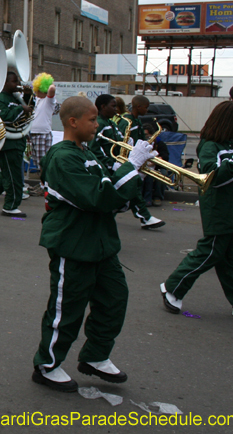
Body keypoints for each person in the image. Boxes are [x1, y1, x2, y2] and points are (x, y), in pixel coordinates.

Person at [32, 96, 153, 392]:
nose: (97, 125)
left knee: (114, 299)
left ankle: (96, 356)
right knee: (67, 309)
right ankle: (47, 365)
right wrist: (131, 166)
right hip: (73, 242)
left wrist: (130, 175)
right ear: (73, 122)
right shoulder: (62, 157)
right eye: (92, 119)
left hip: (101, 242)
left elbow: (110, 189)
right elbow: (97, 196)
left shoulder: (85, 152)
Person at [161, 101, 233, 320]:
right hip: (220, 210)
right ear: (228, 123)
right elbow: (214, 177)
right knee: (209, 253)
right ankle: (173, 287)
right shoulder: (210, 145)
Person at [116, 95, 164, 229]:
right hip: (128, 160)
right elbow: (123, 143)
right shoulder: (127, 122)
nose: (147, 110)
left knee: (132, 190)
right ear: (138, 107)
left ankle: (145, 217)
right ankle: (145, 217)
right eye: (146, 107)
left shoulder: (137, 121)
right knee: (133, 189)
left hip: (136, 159)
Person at [0, 71, 32, 217]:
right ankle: (10, 205)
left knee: (7, 175)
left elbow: (29, 112)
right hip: (8, 144)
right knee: (13, 177)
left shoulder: (14, 97)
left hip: (16, 142)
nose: (17, 84)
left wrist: (27, 97)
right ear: (5, 83)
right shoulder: (0, 98)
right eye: (14, 81)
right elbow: (5, 117)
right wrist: (21, 109)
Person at [29, 73, 56, 183]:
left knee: (43, 162)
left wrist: (48, 85)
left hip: (42, 133)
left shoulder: (49, 101)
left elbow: (52, 89)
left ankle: (44, 184)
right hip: (35, 134)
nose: (35, 92)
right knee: (38, 162)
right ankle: (43, 183)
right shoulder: (37, 101)